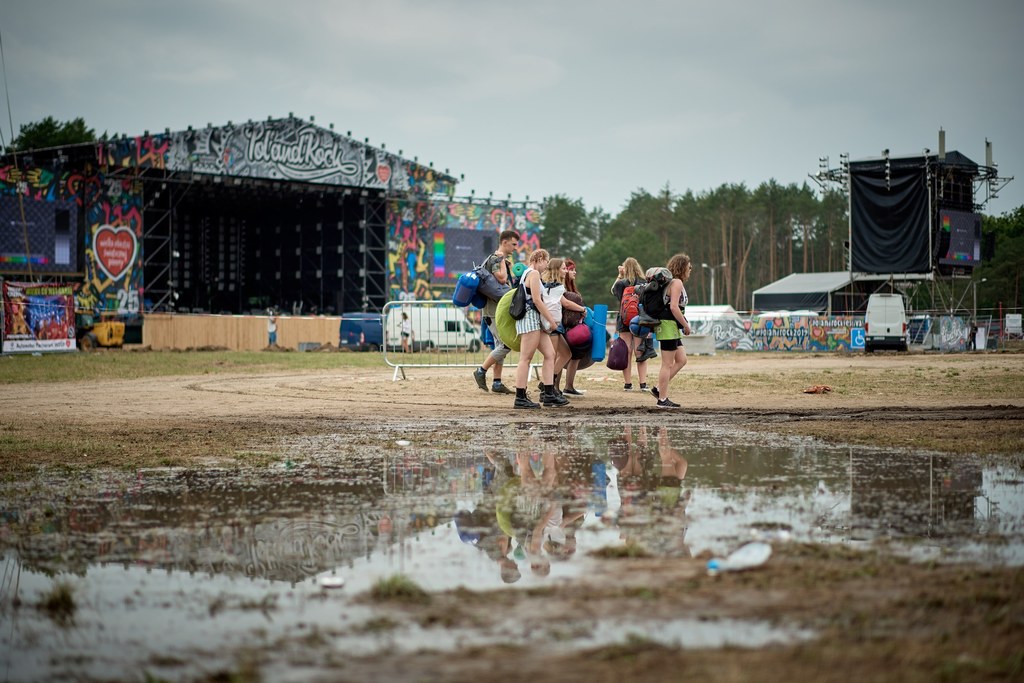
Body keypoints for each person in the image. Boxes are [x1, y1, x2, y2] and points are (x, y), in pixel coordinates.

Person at [513, 249, 569, 409]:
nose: (546, 266)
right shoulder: (534, 274)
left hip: (533, 319)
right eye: (546, 261)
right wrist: (552, 321)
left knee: (550, 354)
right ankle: (520, 396)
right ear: (539, 259)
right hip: (530, 318)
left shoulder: (526, 273)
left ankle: (549, 393)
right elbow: (537, 301)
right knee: (525, 358)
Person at [473, 230, 520, 395]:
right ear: (505, 242)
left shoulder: (501, 259)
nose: (515, 247)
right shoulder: (495, 258)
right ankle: (481, 371)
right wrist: (502, 262)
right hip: (493, 310)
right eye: (513, 244)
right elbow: (501, 278)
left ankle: (497, 382)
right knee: (506, 344)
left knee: (500, 345)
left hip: (498, 309)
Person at [537, 258, 587, 400]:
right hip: (551, 325)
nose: (566, 271)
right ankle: (547, 388)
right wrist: (582, 309)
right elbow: (566, 303)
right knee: (551, 358)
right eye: (564, 268)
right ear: (556, 269)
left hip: (553, 325)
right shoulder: (556, 286)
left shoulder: (548, 285)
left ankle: (548, 384)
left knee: (565, 354)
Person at [651, 253, 693, 408]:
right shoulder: (676, 283)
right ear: (682, 267)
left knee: (681, 359)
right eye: (689, 267)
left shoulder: (671, 283)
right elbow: (674, 307)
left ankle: (657, 388)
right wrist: (686, 325)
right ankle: (662, 399)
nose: (690, 269)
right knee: (667, 363)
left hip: (671, 325)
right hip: (668, 325)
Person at [610, 257, 652, 392]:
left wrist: (620, 275)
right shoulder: (645, 282)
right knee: (639, 350)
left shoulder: (621, 283)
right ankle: (643, 384)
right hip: (640, 319)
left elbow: (613, 291)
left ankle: (628, 384)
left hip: (624, 319)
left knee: (626, 351)